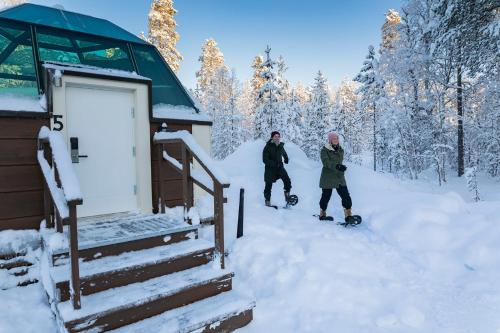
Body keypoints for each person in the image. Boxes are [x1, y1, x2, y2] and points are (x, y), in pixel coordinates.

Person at [319, 132, 353, 221]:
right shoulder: (324, 150)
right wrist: (337, 166)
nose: (336, 140)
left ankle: (348, 216)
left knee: (346, 196)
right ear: (330, 140)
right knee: (326, 196)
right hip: (328, 177)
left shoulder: (341, 150)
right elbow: (326, 162)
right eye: (334, 139)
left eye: (337, 138)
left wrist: (341, 167)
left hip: (339, 177)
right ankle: (322, 213)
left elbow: (339, 162)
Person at [262, 131, 291, 206]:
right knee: (268, 185)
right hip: (270, 169)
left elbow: (283, 152)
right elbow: (265, 159)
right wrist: (274, 163)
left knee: (287, 180)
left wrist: (286, 158)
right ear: (272, 137)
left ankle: (287, 197)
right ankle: (267, 201)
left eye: (278, 136)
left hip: (280, 168)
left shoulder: (280, 146)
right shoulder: (268, 146)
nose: (277, 138)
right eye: (275, 136)